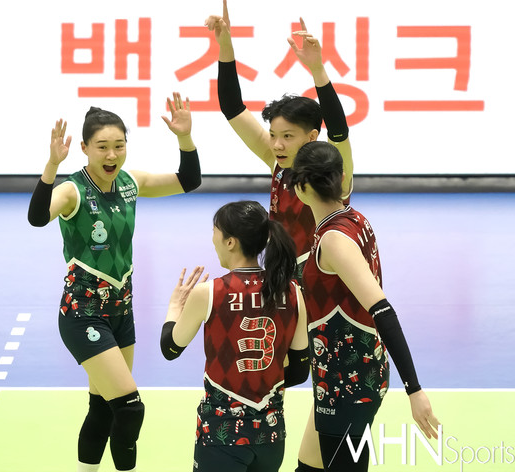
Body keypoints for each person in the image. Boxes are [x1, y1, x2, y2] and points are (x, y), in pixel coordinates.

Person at [27, 92, 201, 472]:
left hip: (121, 312)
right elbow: (37, 217)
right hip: (83, 314)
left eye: (119, 146)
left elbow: (189, 180)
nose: (111, 155)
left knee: (103, 408)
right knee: (129, 407)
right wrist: (52, 166)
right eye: (102, 146)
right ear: (84, 148)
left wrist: (184, 137)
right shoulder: (72, 190)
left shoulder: (130, 183)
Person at [289, 141, 440, 472]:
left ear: (299, 187)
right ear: (342, 178)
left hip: (348, 382)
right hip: (340, 376)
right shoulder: (354, 218)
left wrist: (414, 390)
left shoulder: (334, 240)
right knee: (308, 465)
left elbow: (382, 310)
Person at [205, 0, 354, 279]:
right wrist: (225, 47)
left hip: (323, 279)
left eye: (287, 136)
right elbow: (232, 108)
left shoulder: (334, 173)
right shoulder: (277, 161)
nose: (276, 145)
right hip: (281, 276)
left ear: (312, 137)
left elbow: (338, 131)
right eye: (273, 135)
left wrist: (318, 70)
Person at [161, 200, 310, 472]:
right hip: (270, 437)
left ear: (230, 242)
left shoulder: (209, 293)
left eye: (215, 231)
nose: (212, 239)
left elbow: (170, 348)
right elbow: (300, 371)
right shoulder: (291, 292)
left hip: (222, 437)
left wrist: (174, 307)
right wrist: (260, 382)